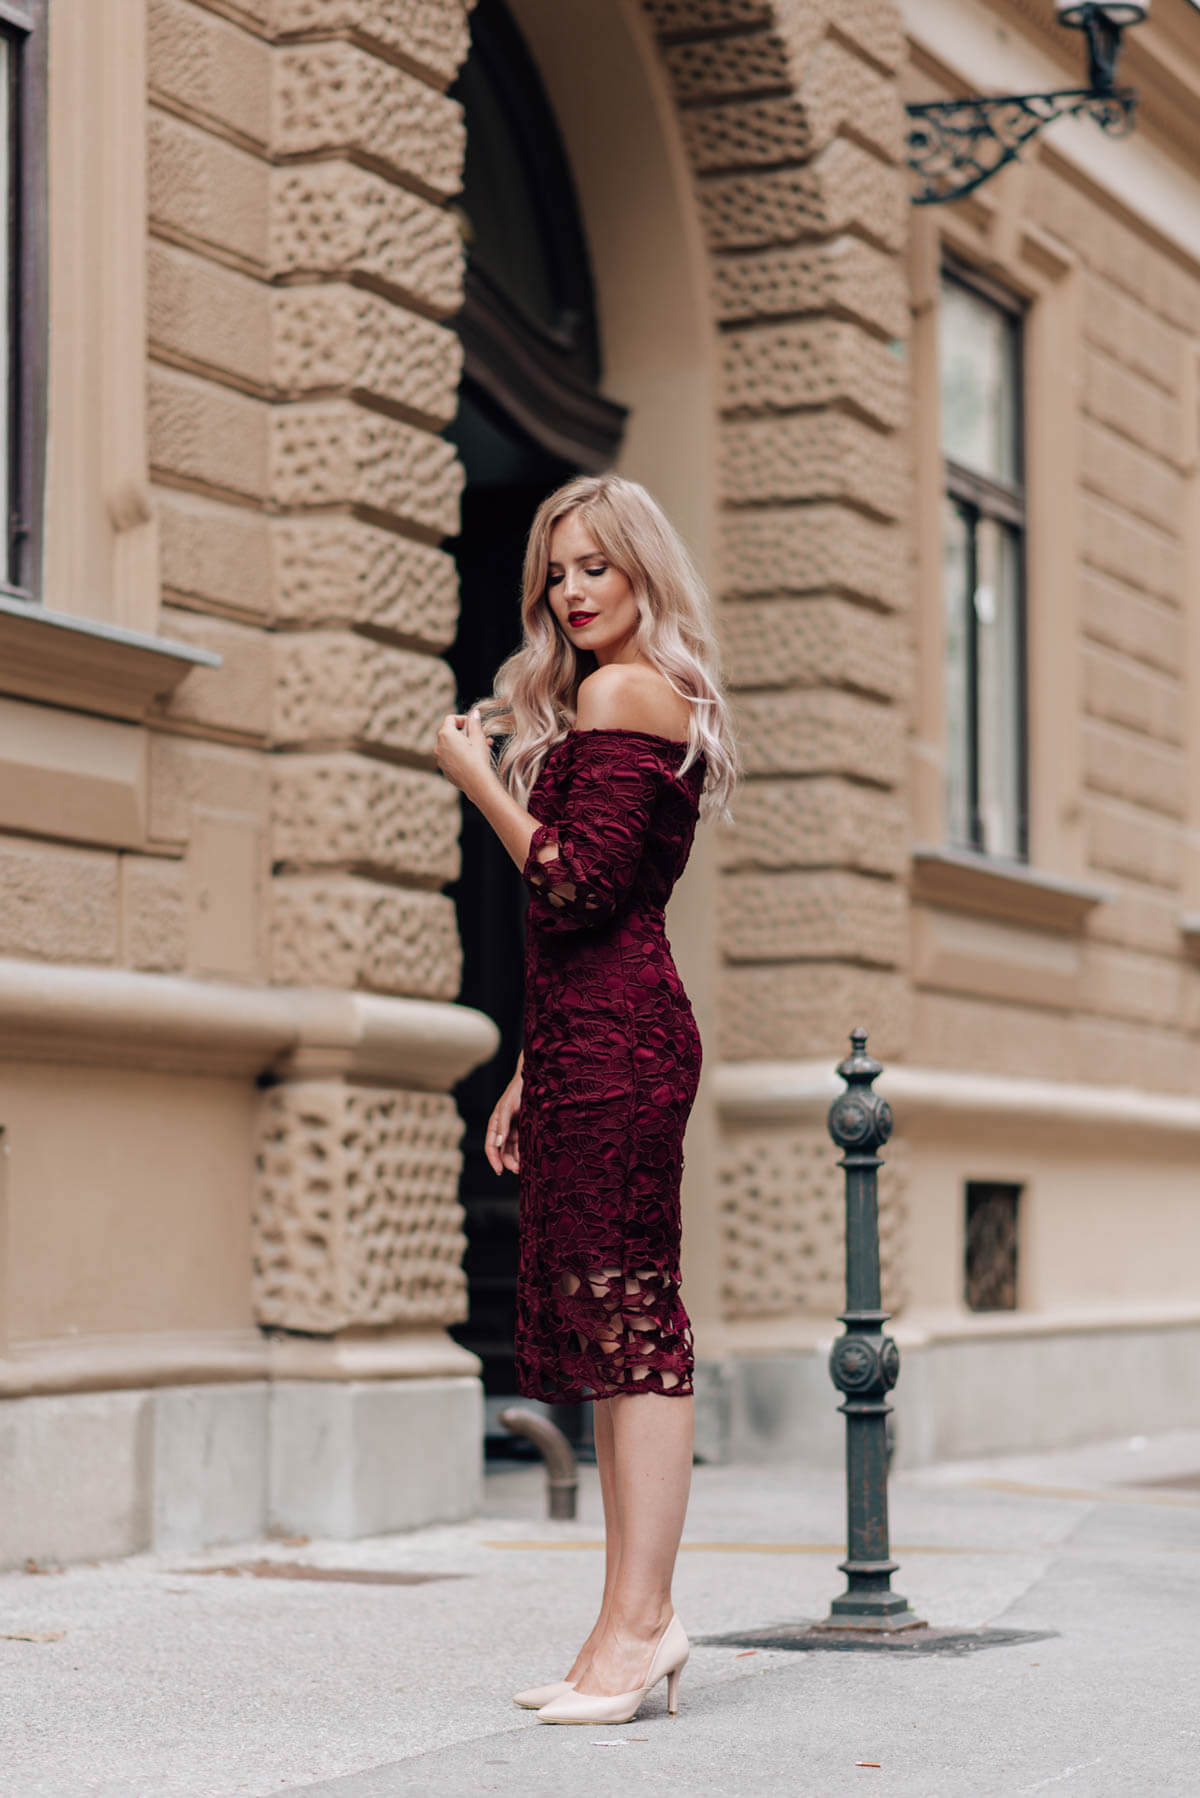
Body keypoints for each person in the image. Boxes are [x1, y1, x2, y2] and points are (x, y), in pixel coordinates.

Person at [434, 473, 737, 1725]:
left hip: (623, 1037)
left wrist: (477, 777)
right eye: (557, 571)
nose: (570, 591)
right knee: (612, 1334)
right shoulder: (608, 698)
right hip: (587, 1035)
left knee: (635, 1324)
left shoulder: (626, 692)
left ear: (642, 573)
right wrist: (524, 1068)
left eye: (596, 567)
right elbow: (584, 925)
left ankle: (645, 1621)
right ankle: (623, 1622)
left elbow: (571, 891)